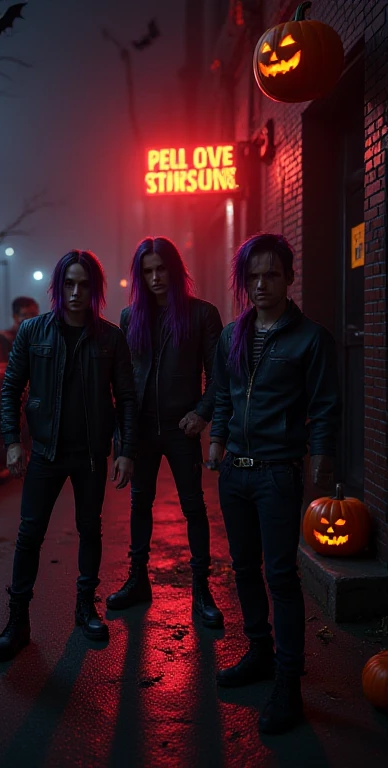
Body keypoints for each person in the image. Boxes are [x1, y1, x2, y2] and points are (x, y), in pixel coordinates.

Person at [209, 233, 340, 734]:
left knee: (280, 576)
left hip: (278, 475)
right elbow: (222, 394)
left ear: (289, 277)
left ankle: (289, 681)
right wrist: (218, 441)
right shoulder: (231, 335)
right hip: (235, 475)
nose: (261, 284)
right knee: (243, 568)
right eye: (252, 276)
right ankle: (260, 653)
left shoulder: (312, 338)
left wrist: (322, 470)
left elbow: (326, 409)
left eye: (270, 274)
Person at [0, 250, 137, 662]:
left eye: (83, 285)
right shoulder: (33, 331)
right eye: (68, 284)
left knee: (91, 530)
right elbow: (11, 389)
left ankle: (85, 608)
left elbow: (125, 397)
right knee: (29, 535)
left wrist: (124, 450)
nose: (75, 292)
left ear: (95, 290)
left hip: (90, 454)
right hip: (46, 453)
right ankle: (17, 622)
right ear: (57, 287)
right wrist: (13, 441)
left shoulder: (110, 337)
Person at [106, 236, 224, 628]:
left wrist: (202, 413)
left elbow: (219, 376)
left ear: (175, 270)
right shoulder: (130, 317)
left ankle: (201, 590)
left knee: (194, 507)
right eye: (148, 270)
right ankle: (138, 580)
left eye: (162, 268)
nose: (156, 277)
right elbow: (123, 382)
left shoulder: (202, 315)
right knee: (140, 504)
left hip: (181, 428)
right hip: (140, 429)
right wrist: (123, 433)